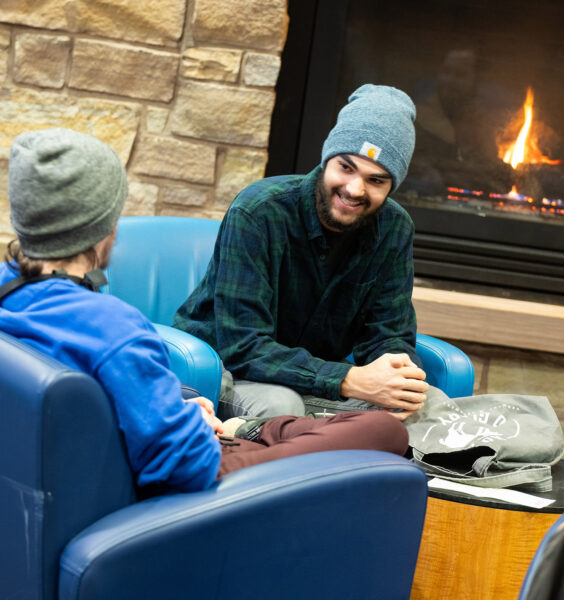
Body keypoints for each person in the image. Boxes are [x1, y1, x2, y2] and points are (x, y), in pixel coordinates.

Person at [0, 128, 408, 496]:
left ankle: (246, 428)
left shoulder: (11, 290)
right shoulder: (115, 329)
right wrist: (190, 430)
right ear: (103, 226)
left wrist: (176, 407)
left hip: (101, 467)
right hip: (194, 486)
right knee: (382, 430)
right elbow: (179, 467)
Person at [175, 84, 432, 421]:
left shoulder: (395, 229)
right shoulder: (258, 212)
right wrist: (350, 380)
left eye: (376, 180)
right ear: (327, 159)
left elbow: (389, 334)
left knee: (426, 407)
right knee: (284, 409)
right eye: (346, 167)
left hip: (312, 376)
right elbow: (244, 347)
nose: (355, 189)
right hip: (225, 370)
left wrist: (397, 376)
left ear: (390, 186)